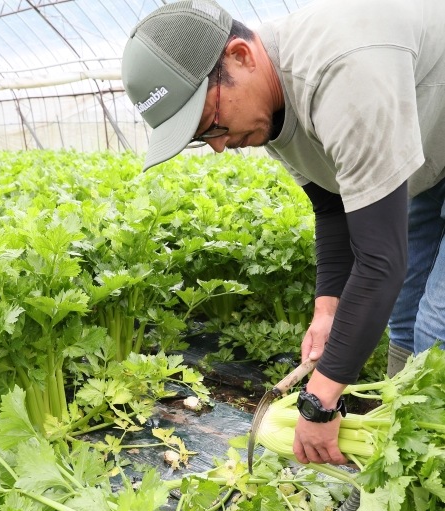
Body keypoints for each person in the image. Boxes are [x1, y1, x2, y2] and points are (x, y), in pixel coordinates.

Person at [121, 0, 445, 470]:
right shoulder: (268, 107)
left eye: (209, 122)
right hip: (427, 150)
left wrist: (322, 399)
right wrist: (327, 308)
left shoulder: (341, 71)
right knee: (405, 314)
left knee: (436, 328)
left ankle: (425, 481)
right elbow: (332, 204)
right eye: (198, 136)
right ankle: (398, 471)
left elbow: (381, 261)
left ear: (241, 57)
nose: (216, 145)